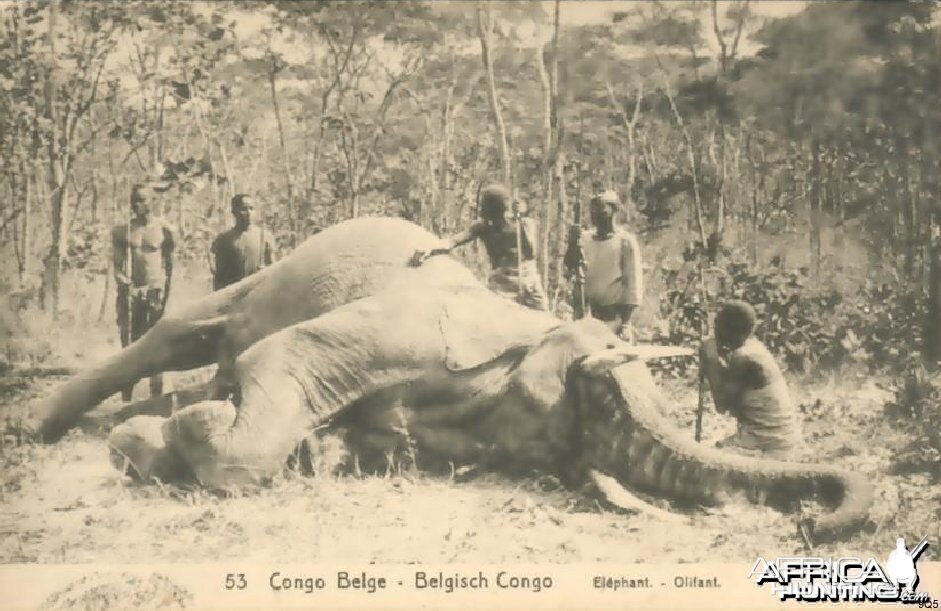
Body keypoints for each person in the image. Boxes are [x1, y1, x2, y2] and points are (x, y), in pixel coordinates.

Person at [410, 183, 548, 311]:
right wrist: (430, 249)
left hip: (528, 279)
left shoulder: (522, 224)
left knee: (547, 321)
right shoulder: (483, 227)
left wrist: (522, 226)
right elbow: (453, 241)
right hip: (502, 283)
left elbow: (531, 253)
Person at [699, 300, 801, 457]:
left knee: (706, 462)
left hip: (770, 443)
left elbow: (722, 405)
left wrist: (710, 358)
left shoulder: (743, 358)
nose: (714, 330)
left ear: (728, 330)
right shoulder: (754, 347)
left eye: (717, 325)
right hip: (781, 438)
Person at [112, 184, 175, 401]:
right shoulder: (123, 232)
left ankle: (155, 398)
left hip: (154, 295)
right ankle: (126, 399)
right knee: (128, 345)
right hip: (131, 296)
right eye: (135, 201)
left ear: (152, 201)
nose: (138, 205)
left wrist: (163, 296)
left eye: (143, 199)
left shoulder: (165, 230)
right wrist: (126, 285)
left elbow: (169, 267)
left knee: (157, 345)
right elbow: (117, 268)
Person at [581, 190, 643, 338]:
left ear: (614, 211)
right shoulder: (585, 239)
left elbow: (632, 283)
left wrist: (625, 323)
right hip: (590, 317)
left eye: (602, 212)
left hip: (615, 318)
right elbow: (575, 271)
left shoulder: (625, 241)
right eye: (593, 212)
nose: (597, 216)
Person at [211, 194, 276, 291]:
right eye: (244, 209)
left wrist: (265, 273)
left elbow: (274, 269)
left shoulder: (264, 236)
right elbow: (219, 276)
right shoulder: (224, 240)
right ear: (234, 212)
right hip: (234, 294)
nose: (249, 213)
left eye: (251, 208)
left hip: (259, 293)